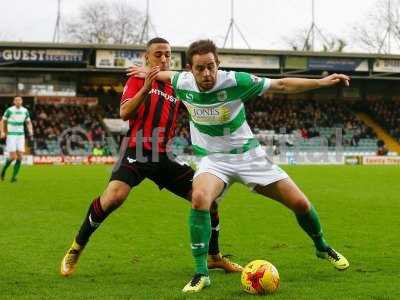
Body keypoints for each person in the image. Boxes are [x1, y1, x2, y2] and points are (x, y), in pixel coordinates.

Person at [129, 39, 350, 293]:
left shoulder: (236, 81)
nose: (207, 73)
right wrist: (146, 70)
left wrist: (322, 82)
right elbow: (160, 72)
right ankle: (201, 272)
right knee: (200, 198)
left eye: (211, 67)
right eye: (200, 68)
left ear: (218, 64)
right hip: (213, 160)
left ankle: (322, 246)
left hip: (249, 157)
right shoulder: (181, 82)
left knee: (300, 203)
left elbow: (282, 84)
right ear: (190, 69)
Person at [60, 38, 242, 278]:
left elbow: (200, 100)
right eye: (158, 54)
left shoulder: (178, 85)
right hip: (136, 150)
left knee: (209, 199)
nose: (164, 59)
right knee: (114, 197)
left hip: (162, 156)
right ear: (147, 57)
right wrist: (146, 88)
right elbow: (124, 113)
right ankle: (76, 248)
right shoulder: (137, 79)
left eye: (168, 55)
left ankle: (214, 256)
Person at [0, 96, 33, 182]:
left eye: (19, 100)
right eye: (16, 100)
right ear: (14, 102)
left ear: (22, 101)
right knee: (13, 157)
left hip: (21, 136)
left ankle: (14, 177)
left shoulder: (25, 111)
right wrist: (2, 132)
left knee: (20, 157)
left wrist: (30, 131)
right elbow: (2, 121)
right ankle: (3, 171)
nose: (18, 101)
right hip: (11, 135)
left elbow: (29, 122)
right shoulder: (9, 110)